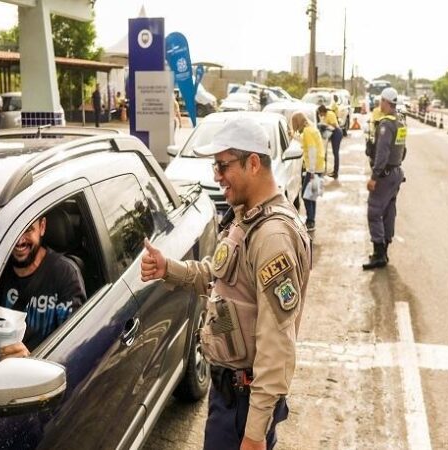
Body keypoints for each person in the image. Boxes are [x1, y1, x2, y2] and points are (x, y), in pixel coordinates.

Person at [139, 116, 312, 450]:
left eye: (222, 166)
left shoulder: (272, 236)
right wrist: (168, 268)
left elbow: (277, 344)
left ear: (252, 163)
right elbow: (219, 277)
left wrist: (254, 433)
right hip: (230, 398)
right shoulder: (248, 218)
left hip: (244, 405)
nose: (216, 177)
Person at [0, 215, 87, 359]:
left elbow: (74, 346)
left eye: (28, 230)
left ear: (42, 227)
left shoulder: (64, 274)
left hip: (41, 373)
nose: (19, 240)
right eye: (13, 231)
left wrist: (30, 361)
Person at [363, 87, 406, 270]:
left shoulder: (386, 125)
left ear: (387, 103)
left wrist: (375, 176)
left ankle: (379, 253)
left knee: (374, 211)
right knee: (389, 211)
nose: (379, 104)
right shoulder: (400, 122)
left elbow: (382, 153)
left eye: (381, 101)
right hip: (396, 172)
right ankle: (384, 250)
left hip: (385, 174)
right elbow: (403, 151)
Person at [290, 111, 325, 231]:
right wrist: (293, 136)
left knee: (306, 195)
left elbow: (312, 151)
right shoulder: (310, 129)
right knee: (312, 196)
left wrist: (311, 171)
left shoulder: (307, 132)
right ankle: (311, 220)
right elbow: (305, 142)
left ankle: (310, 221)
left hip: (314, 168)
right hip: (319, 166)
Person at [317, 104, 343, 179]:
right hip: (332, 134)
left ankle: (336, 172)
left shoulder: (330, 114)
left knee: (335, 153)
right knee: (334, 153)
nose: (320, 115)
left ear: (322, 111)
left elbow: (334, 125)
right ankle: (334, 171)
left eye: (320, 113)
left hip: (336, 133)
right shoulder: (324, 116)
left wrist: (325, 124)